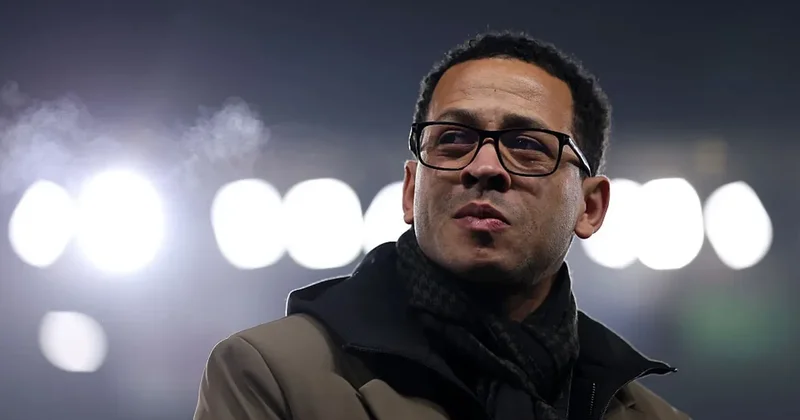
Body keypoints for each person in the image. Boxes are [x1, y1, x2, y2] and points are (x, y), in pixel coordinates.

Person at [194, 31, 689, 420]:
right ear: (411, 190)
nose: (484, 167)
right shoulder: (270, 374)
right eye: (453, 139)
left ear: (591, 207)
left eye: (526, 145)